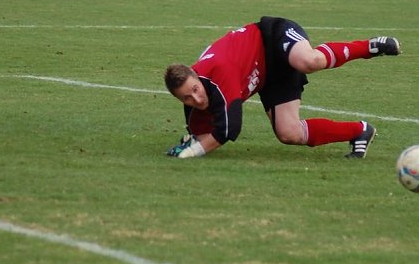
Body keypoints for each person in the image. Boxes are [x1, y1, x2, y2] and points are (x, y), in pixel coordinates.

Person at [163, 17, 401, 159]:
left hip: (272, 39)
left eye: (195, 89)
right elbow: (203, 131)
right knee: (289, 133)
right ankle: (360, 131)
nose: (197, 98)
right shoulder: (196, 100)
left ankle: (369, 46)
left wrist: (193, 153)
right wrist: (192, 141)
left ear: (197, 76)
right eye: (187, 98)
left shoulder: (218, 73)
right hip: (268, 76)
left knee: (309, 61)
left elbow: (228, 129)